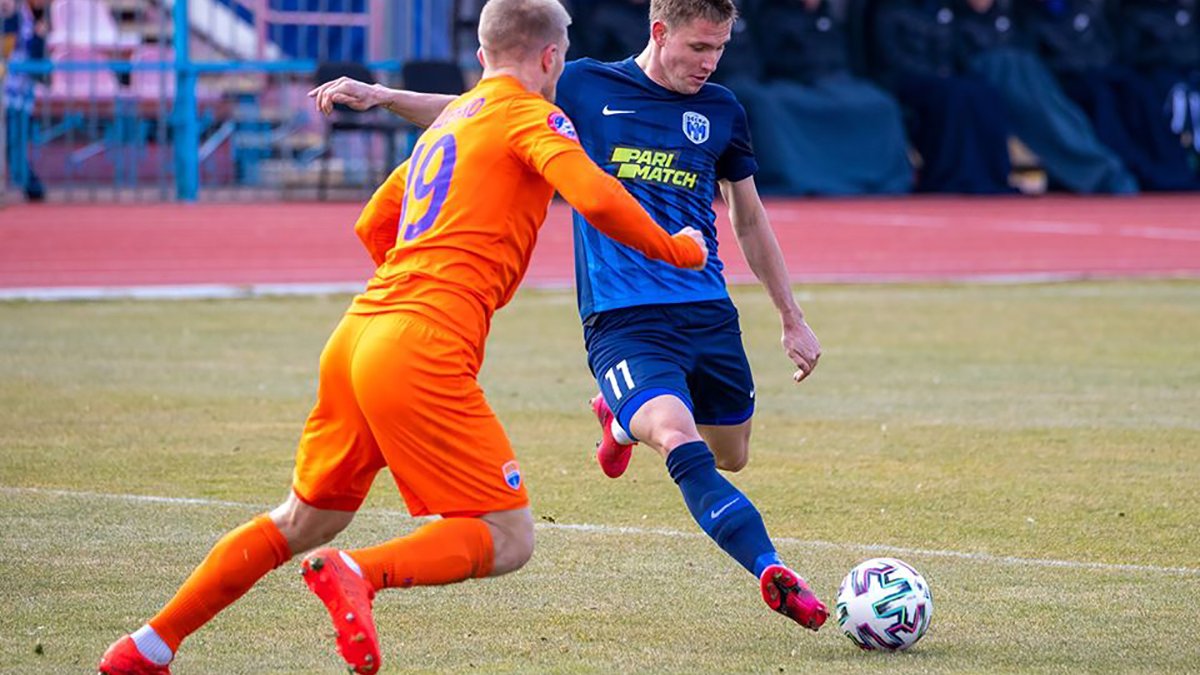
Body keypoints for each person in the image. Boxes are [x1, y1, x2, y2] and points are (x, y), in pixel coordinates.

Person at [97, 0, 706, 673]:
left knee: (304, 519)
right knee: (508, 536)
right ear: (550, 57)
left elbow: (373, 222)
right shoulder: (535, 116)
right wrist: (676, 248)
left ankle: (146, 646)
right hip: (419, 341)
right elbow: (593, 196)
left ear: (481, 56)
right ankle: (358, 572)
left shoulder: (453, 120)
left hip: (359, 331)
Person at [310, 0, 830, 634]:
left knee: (732, 453)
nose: (710, 62)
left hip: (707, 309)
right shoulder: (584, 86)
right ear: (659, 31)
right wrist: (383, 96)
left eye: (719, 48)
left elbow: (748, 218)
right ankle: (770, 568)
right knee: (676, 435)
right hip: (623, 317)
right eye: (698, 47)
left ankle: (619, 422)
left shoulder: (722, 109)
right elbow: (477, 112)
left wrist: (790, 316)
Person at [956, 0, 1138, 193]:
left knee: (1105, 89)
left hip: (1033, 57)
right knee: (1019, 81)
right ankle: (1101, 173)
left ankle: (1106, 171)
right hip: (975, 61)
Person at [871, 0, 1017, 193]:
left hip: (945, 80)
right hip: (908, 80)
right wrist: (934, 74)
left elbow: (959, 50)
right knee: (953, 94)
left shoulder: (947, 9)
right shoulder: (890, 8)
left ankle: (989, 177)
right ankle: (950, 177)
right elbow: (890, 57)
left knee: (983, 92)